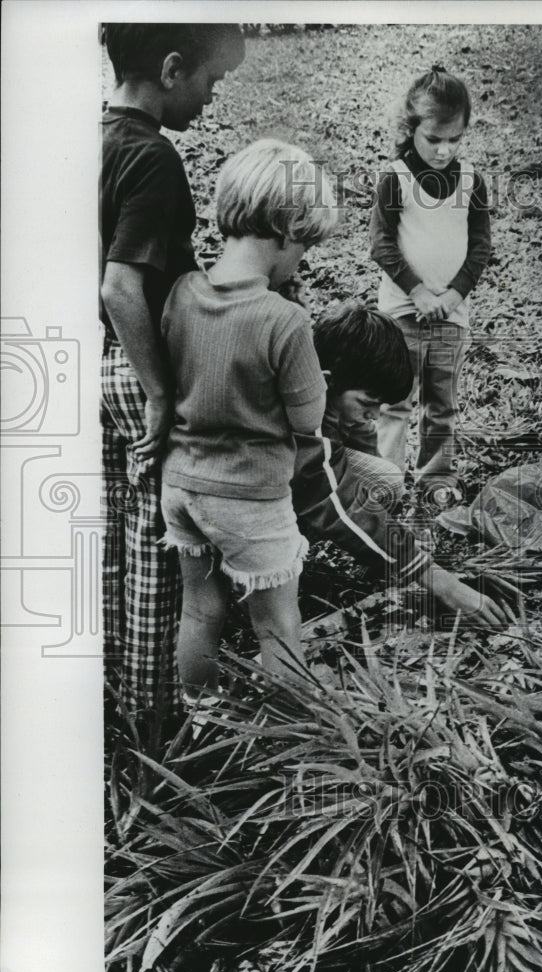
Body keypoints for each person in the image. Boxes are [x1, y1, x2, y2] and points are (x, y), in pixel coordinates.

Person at [159, 138, 338, 705]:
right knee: (277, 624)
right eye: (303, 247)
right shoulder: (284, 320)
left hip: (182, 486)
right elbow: (309, 418)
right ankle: (292, 725)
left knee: (200, 609)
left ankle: (204, 713)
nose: (300, 261)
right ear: (286, 231)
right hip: (251, 500)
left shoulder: (181, 293)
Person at [100, 24, 244, 713]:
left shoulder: (95, 138)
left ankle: (105, 691)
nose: (211, 99)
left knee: (110, 542)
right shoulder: (154, 157)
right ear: (171, 67)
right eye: (210, 82)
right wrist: (160, 392)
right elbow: (121, 286)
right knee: (161, 556)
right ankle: (153, 718)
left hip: (96, 365)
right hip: (138, 367)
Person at [292, 301, 510, 627]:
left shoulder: (336, 401)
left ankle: (341, 546)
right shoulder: (302, 416)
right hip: (243, 498)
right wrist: (437, 579)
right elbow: (340, 499)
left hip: (299, 480)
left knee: (385, 480)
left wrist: (396, 537)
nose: (374, 415)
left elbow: (364, 484)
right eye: (368, 403)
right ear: (327, 381)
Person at [370, 65, 491, 505]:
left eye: (454, 139)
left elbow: (480, 246)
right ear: (411, 128)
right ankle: (385, 479)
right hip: (403, 313)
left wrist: (454, 293)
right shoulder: (395, 178)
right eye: (433, 139)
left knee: (442, 403)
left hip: (450, 315)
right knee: (395, 403)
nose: (444, 151)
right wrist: (417, 292)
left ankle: (436, 477)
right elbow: (381, 244)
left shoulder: (471, 181)